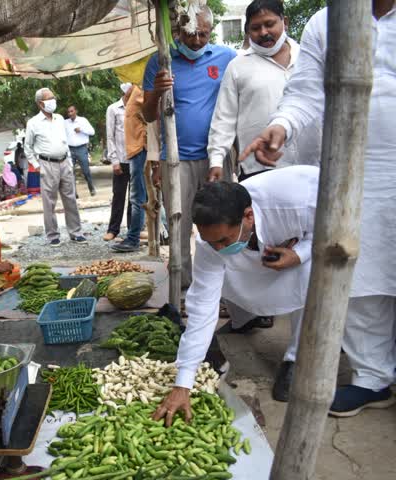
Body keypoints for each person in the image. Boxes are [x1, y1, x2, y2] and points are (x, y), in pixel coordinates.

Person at [242, 2, 396, 416]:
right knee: (361, 274)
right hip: (352, 164)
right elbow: (306, 92)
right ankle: (372, 377)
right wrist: (282, 125)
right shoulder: (327, 20)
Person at [152, 167, 318, 424]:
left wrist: (302, 253)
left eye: (224, 240)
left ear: (248, 216)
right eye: (212, 242)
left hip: (310, 242)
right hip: (263, 252)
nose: (218, 247)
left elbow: (338, 225)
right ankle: (247, 318)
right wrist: (183, 382)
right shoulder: (210, 243)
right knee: (223, 272)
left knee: (311, 279)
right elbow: (203, 306)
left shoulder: (298, 201)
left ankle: (295, 358)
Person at [141, 6, 237, 288]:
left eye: (203, 35)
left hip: (215, 160)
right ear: (178, 30)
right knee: (178, 226)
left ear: (211, 30)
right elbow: (148, 115)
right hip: (176, 161)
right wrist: (158, 90)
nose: (196, 41)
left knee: (221, 223)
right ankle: (181, 288)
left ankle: (223, 288)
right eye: (190, 34)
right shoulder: (160, 60)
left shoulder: (227, 58)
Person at [208, 0, 321, 184]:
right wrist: (216, 160)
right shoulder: (237, 66)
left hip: (312, 165)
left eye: (269, 24)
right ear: (247, 31)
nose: (263, 33)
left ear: (285, 22)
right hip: (259, 169)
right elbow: (223, 119)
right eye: (255, 28)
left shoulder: (308, 58)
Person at [24, 88, 87, 247]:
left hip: (64, 162)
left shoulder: (59, 119)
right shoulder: (33, 123)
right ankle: (53, 236)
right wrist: (37, 166)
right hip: (47, 164)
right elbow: (28, 147)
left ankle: (76, 232)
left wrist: (70, 161)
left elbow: (64, 141)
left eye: (53, 97)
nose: (53, 101)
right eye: (49, 98)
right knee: (49, 202)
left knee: (70, 199)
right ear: (40, 103)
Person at [111, 83, 149, 252]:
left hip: (140, 149)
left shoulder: (141, 90)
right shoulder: (135, 92)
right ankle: (137, 235)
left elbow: (152, 118)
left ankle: (133, 238)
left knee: (137, 198)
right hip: (134, 150)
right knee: (140, 197)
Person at [104, 83, 132, 241]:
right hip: (121, 159)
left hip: (136, 159)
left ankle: (132, 229)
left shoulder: (138, 107)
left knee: (134, 198)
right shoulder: (113, 109)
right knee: (118, 196)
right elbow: (110, 136)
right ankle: (113, 230)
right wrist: (114, 160)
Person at [65, 105, 97, 196]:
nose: (70, 113)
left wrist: (81, 130)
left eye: (72, 111)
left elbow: (92, 132)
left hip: (81, 149)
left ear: (76, 111)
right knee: (70, 171)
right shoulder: (65, 123)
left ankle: (91, 189)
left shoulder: (83, 120)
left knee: (86, 171)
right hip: (70, 149)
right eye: (68, 112)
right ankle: (74, 193)